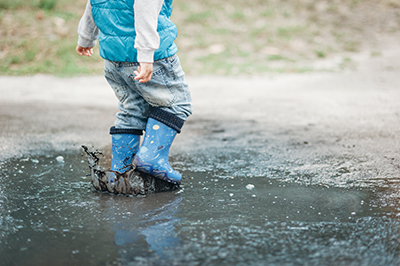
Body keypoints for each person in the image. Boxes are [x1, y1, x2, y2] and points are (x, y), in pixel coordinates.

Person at [76, 0, 192, 185]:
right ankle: (152, 157)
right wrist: (146, 55)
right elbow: (145, 7)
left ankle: (120, 175)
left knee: (131, 109)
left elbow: (94, 5)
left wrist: (86, 38)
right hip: (149, 57)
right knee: (176, 104)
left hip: (113, 58)